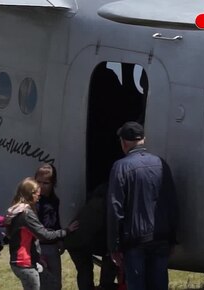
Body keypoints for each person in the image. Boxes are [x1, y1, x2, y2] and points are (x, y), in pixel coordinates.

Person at [107, 121, 178, 290]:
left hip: (135, 240)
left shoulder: (120, 167)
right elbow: (172, 203)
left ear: (124, 143)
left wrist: (114, 246)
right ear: (144, 139)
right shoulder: (161, 164)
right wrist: (173, 238)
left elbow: (115, 209)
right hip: (161, 237)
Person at [4, 177, 78, 290]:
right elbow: (44, 235)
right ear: (30, 194)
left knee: (52, 284)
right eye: (37, 195)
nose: (39, 198)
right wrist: (66, 231)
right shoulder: (26, 214)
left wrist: (37, 258)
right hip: (24, 263)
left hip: (27, 261)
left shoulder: (17, 210)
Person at [64, 183, 117, 290]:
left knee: (85, 271)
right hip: (84, 241)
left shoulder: (94, 202)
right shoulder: (107, 207)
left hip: (74, 241)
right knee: (110, 262)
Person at [34, 164, 62, 290]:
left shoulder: (54, 200)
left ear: (52, 183)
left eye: (46, 183)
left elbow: (56, 220)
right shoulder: (34, 201)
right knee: (42, 282)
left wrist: (60, 240)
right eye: (38, 182)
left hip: (52, 244)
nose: (41, 186)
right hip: (39, 245)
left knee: (55, 282)